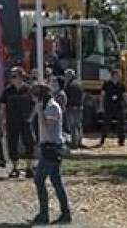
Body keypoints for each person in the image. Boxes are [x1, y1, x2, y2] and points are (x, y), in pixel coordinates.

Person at [31, 83, 72, 225]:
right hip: (46, 146)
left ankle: (44, 214)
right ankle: (65, 212)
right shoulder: (46, 107)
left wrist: (39, 112)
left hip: (52, 148)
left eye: (36, 97)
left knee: (39, 179)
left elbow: (48, 127)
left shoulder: (52, 108)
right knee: (56, 181)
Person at [0, 66, 36, 178]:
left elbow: (36, 104)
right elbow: (3, 107)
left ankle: (29, 168)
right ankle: (15, 168)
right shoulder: (7, 91)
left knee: (29, 143)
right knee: (12, 144)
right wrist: (3, 121)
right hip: (12, 121)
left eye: (14, 76)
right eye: (11, 76)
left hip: (25, 121)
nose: (12, 78)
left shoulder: (28, 89)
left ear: (21, 77)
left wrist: (31, 117)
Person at [99, 69, 127, 147]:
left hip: (119, 106)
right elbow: (102, 95)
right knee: (106, 123)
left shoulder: (122, 85)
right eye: (117, 75)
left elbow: (125, 95)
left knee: (121, 123)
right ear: (113, 75)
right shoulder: (106, 84)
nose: (119, 76)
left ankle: (121, 140)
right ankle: (103, 139)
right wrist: (101, 105)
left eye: (119, 75)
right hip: (109, 106)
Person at [62, 69, 84, 149]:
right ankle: (80, 141)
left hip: (71, 107)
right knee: (78, 125)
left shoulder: (68, 85)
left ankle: (74, 143)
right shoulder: (79, 84)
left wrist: (64, 106)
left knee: (72, 126)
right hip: (79, 106)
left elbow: (65, 97)